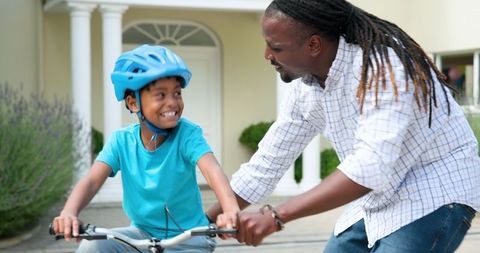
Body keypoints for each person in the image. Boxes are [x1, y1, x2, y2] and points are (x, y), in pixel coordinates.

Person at [208, 0, 480, 252]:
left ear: (314, 45)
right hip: (377, 197)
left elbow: (369, 167)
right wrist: (196, 221)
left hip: (435, 191)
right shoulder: (306, 89)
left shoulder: (384, 66)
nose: (267, 54)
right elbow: (266, 165)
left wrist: (276, 216)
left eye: (276, 47)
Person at [52, 45, 239, 253]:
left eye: (177, 93)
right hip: (142, 236)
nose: (172, 102)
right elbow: (91, 181)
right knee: (93, 245)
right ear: (133, 103)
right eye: (161, 95)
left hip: (191, 238)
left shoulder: (188, 135)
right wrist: (69, 212)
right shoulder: (121, 142)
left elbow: (212, 172)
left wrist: (230, 209)